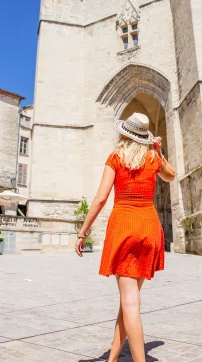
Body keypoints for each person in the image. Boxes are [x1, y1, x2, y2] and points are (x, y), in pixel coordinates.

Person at [75, 112, 175, 362]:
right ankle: (112, 359)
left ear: (124, 133)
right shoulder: (153, 158)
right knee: (127, 302)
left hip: (124, 229)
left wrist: (83, 231)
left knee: (130, 304)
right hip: (149, 229)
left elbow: (100, 198)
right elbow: (171, 175)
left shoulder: (116, 157)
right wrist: (159, 153)